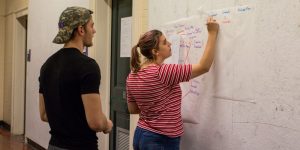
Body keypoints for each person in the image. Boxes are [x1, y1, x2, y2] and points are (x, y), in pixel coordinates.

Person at [126, 17, 219, 150]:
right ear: (155, 51)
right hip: (160, 140)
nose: (169, 43)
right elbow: (204, 67)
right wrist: (212, 33)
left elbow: (133, 109)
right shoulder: (163, 72)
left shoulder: (132, 75)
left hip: (141, 135)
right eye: (165, 42)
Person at [39, 6, 113, 150]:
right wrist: (107, 124)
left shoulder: (47, 66)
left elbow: (43, 114)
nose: (94, 31)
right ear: (81, 30)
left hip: (54, 145)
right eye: (92, 26)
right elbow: (96, 122)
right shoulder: (88, 66)